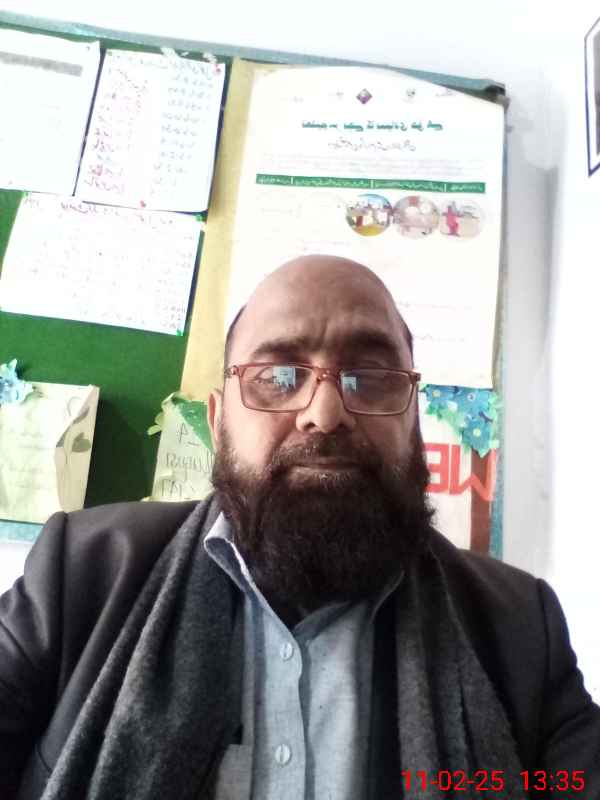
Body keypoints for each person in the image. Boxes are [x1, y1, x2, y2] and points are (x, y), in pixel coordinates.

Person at [1, 254, 599, 800]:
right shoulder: (80, 573)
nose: (325, 413)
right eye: (278, 376)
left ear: (413, 421)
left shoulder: (520, 628)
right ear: (218, 422)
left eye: (371, 376)